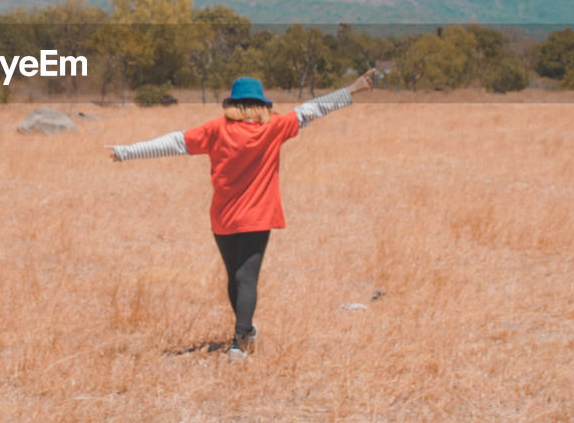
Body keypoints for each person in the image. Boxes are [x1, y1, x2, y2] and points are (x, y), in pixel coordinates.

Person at [108, 70, 375, 362]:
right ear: (262, 104)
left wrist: (126, 152)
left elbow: (174, 143)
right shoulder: (274, 127)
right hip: (258, 218)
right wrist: (351, 90)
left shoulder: (216, 129)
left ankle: (244, 332)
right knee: (246, 278)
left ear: (232, 103)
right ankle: (240, 342)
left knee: (234, 277)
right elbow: (314, 109)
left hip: (223, 218)